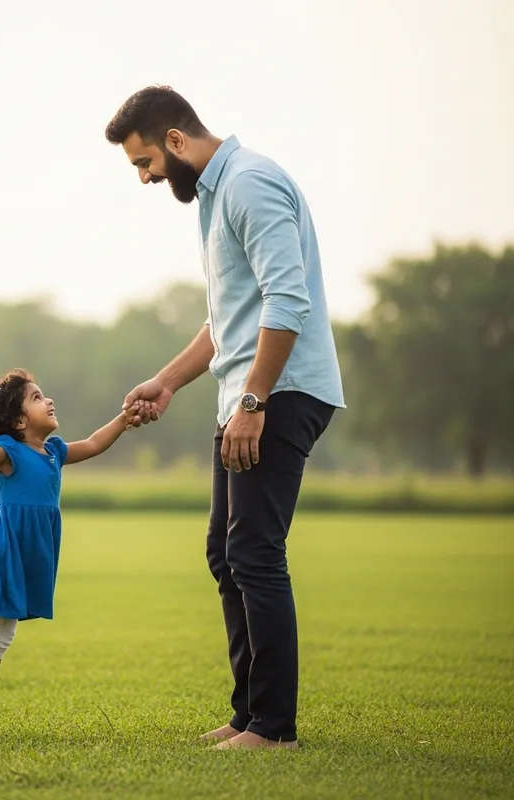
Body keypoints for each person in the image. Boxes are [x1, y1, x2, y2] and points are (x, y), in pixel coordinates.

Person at [106, 86, 345, 750]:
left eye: (145, 162)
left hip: (281, 391)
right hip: (248, 394)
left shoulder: (250, 183)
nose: (147, 178)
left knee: (255, 553)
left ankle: (274, 729)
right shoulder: (214, 199)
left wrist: (253, 401)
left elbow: (287, 299)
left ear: (176, 141)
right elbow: (227, 320)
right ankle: (248, 715)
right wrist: (168, 381)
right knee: (227, 553)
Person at [0, 368, 147, 737]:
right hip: (0, 548)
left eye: (43, 395)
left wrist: (123, 420)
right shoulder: (8, 450)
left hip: (28, 551)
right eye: (36, 398)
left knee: (5, 632)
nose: (47, 400)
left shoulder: (54, 451)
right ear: (19, 420)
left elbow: (95, 443)